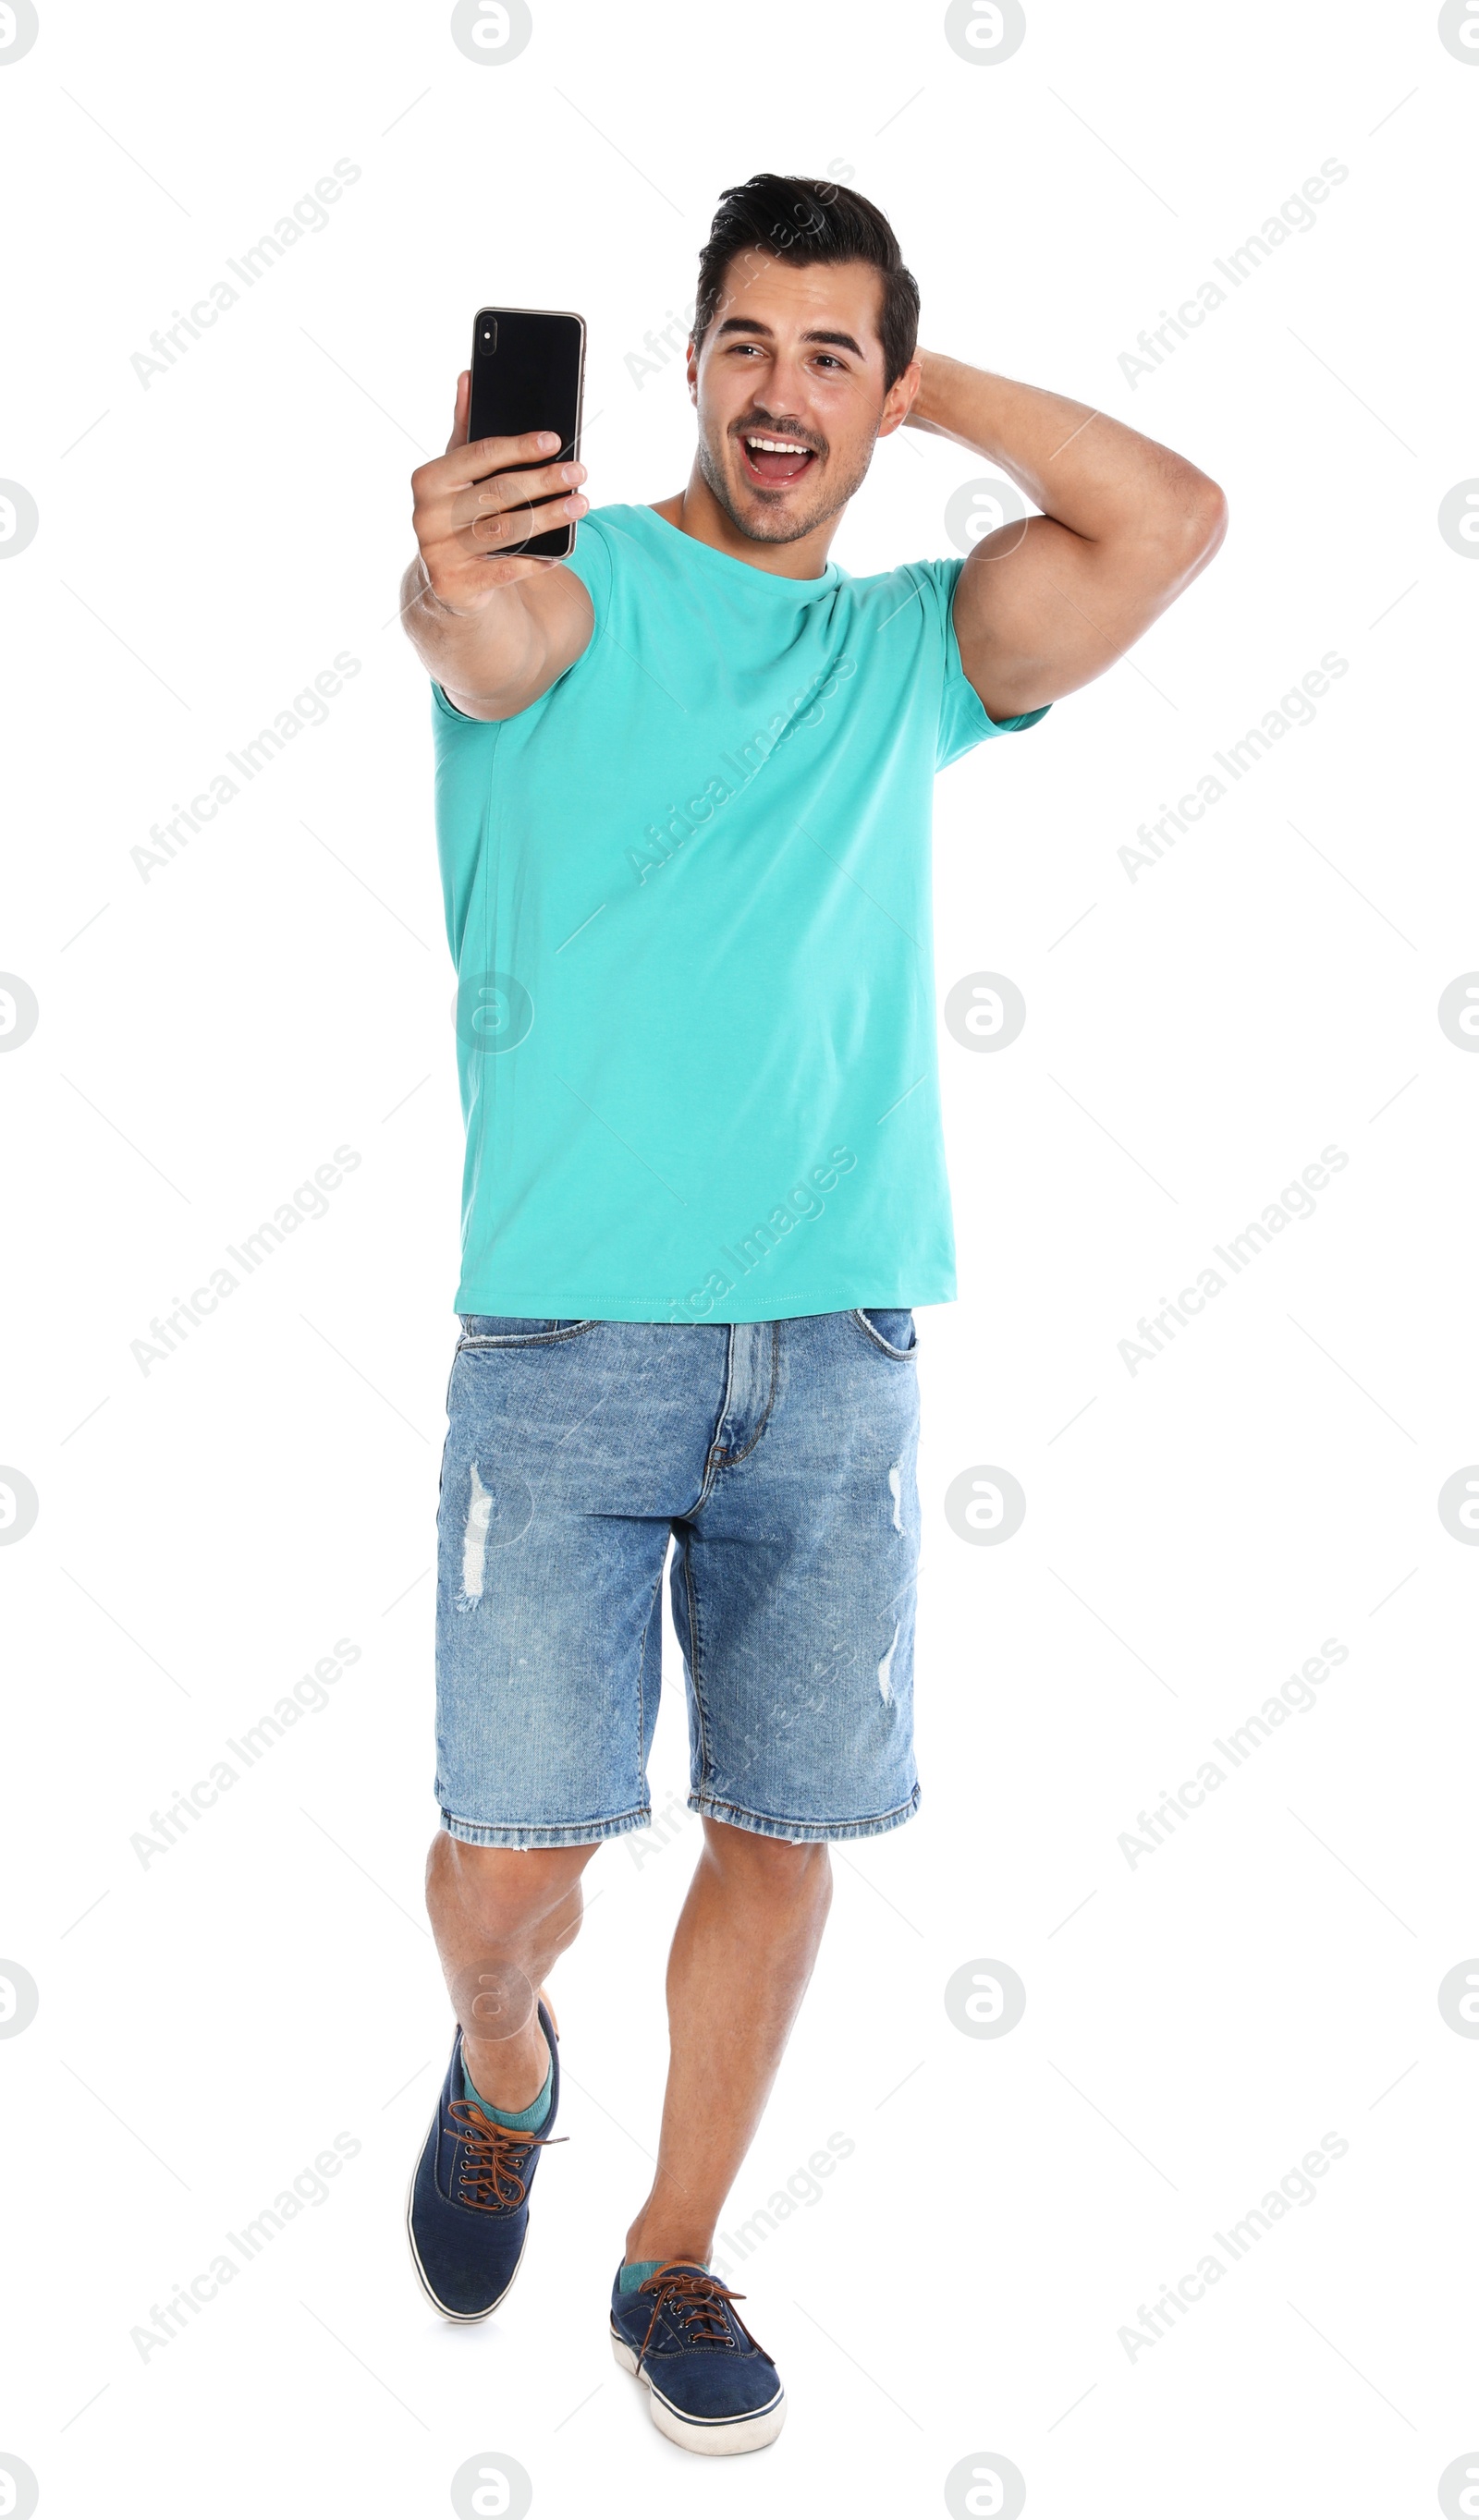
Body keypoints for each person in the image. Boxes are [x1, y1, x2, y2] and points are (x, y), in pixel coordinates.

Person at [398, 171, 1225, 2457]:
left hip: (837, 1355)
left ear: (881, 395)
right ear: (681, 360)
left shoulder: (908, 654)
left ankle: (667, 2255)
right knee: (509, 1868)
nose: (779, 393)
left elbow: (1165, 518)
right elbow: (478, 636)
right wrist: (450, 563)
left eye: (827, 357)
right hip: (566, 1352)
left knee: (780, 1829)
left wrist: (908, 383)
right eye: (744, 344)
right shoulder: (571, 583)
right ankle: (497, 2066)